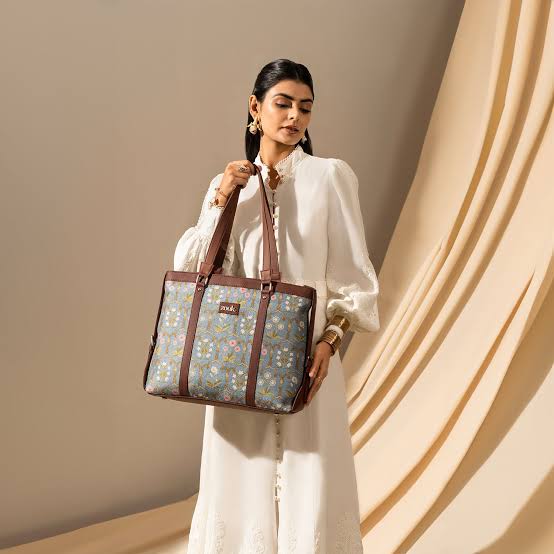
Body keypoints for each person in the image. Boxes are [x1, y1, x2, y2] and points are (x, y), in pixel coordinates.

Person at [174, 58, 380, 553]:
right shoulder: (230, 183)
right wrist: (223, 196)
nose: (294, 117)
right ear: (255, 108)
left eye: (304, 108)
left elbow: (352, 272)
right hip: (239, 353)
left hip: (308, 350)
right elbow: (195, 267)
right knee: (240, 472)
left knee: (311, 468)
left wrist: (331, 340)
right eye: (283, 104)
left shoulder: (329, 176)